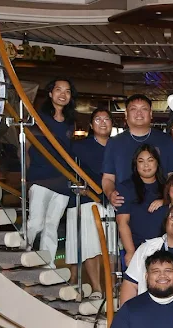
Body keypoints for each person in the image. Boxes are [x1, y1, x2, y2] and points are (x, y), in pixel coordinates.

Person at [25, 78, 74, 266]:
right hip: (40, 177)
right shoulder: (38, 118)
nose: (63, 94)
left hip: (62, 179)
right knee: (36, 222)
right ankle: (22, 253)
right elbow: (27, 145)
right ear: (51, 93)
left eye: (67, 91)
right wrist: (27, 174)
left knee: (52, 224)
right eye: (59, 90)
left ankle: (48, 264)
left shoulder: (70, 122)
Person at [67, 107, 112, 304]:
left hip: (112, 201)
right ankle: (96, 287)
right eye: (98, 119)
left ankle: (110, 287)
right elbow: (69, 172)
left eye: (106, 119)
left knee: (110, 248)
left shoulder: (117, 147)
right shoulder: (80, 147)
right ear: (91, 125)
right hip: (87, 200)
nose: (103, 122)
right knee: (90, 245)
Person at [102, 94, 173, 209]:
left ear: (151, 114)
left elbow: (172, 175)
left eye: (144, 109)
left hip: (159, 205)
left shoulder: (166, 140)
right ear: (126, 114)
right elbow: (108, 178)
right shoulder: (114, 142)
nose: (139, 113)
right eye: (133, 109)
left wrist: (167, 199)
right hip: (125, 204)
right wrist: (110, 194)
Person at [115, 145, 166, 265]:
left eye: (150, 160)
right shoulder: (126, 187)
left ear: (157, 163)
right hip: (139, 247)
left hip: (166, 248)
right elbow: (123, 222)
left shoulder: (168, 186)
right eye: (141, 161)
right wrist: (130, 251)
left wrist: (165, 201)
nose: (146, 165)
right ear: (135, 165)